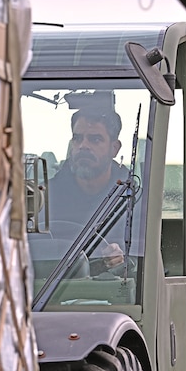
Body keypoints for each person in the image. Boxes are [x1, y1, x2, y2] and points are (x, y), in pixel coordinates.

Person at [47, 107, 127, 269]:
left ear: (114, 148)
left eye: (95, 139)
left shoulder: (133, 197)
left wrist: (124, 259)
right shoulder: (47, 197)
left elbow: (143, 256)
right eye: (77, 139)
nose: (83, 146)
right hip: (49, 291)